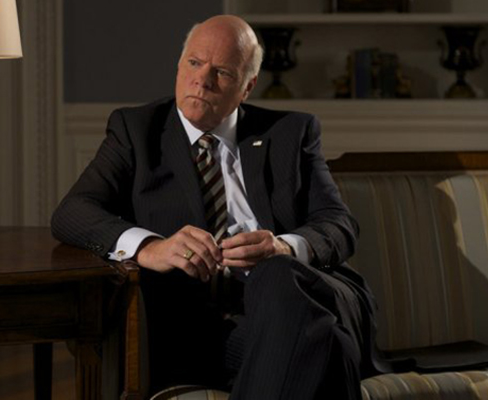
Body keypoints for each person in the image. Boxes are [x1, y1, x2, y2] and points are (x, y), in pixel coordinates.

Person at [52, 14, 382, 399]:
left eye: (222, 72)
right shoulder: (136, 131)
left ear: (247, 86)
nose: (203, 80)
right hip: (203, 326)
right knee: (330, 349)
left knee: (277, 275)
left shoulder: (291, 133)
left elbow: (338, 223)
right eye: (194, 63)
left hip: (303, 297)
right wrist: (150, 247)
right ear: (179, 66)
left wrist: (283, 247)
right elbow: (72, 212)